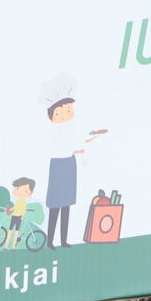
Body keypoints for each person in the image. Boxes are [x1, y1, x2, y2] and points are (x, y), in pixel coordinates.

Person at [39, 80, 106, 248]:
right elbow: (57, 146)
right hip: (58, 165)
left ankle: (63, 240)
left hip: (69, 163)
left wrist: (84, 145)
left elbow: (76, 144)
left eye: (70, 109)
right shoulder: (53, 130)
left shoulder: (71, 128)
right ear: (56, 113)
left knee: (67, 204)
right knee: (55, 205)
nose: (70, 112)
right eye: (67, 109)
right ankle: (50, 241)